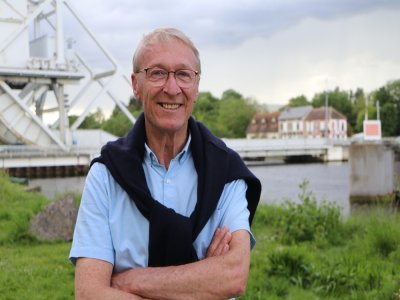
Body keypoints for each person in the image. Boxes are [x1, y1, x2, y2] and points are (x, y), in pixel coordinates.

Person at [69, 27, 261, 300]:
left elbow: (232, 277)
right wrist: (200, 279)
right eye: (157, 73)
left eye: (183, 74)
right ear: (136, 84)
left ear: (196, 87)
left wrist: (130, 282)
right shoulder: (106, 176)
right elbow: (89, 294)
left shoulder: (227, 173)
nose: (172, 89)